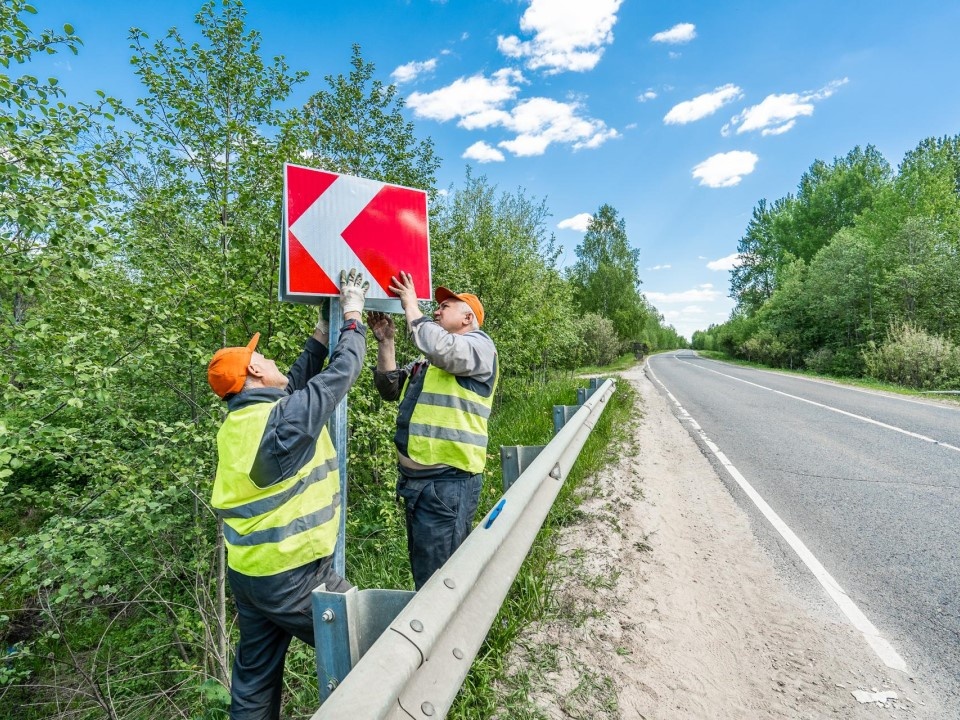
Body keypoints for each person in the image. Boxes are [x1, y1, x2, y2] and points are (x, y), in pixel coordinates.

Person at [207, 269, 369, 720]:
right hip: (294, 578)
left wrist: (322, 330)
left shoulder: (243, 424)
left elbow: (296, 382)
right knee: (374, 642)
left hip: (249, 576)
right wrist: (351, 314)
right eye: (265, 358)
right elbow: (343, 372)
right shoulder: (284, 423)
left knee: (254, 684)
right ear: (256, 370)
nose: (274, 362)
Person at [368, 271, 499, 590]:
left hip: (448, 484)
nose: (436, 310)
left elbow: (440, 347)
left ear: (468, 317)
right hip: (420, 486)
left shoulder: (479, 347)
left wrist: (412, 306)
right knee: (426, 574)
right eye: (435, 306)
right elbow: (389, 388)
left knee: (439, 584)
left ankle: (451, 639)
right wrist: (387, 342)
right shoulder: (430, 359)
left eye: (445, 306)